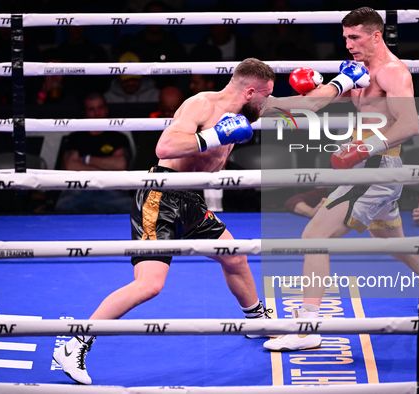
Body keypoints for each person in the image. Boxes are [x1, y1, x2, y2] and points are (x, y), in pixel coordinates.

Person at [53, 58, 276, 384]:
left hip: (191, 199)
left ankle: (257, 321)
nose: (266, 104)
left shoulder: (238, 118)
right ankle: (76, 343)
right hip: (162, 194)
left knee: (235, 256)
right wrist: (213, 136)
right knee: (150, 285)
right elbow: (166, 146)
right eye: (266, 96)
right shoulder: (202, 104)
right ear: (251, 90)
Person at [263, 7, 419, 352]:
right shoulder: (358, 72)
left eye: (355, 37)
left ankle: (308, 328)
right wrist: (264, 103)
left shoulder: (393, 73)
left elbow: (409, 125)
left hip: (377, 169)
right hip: (369, 168)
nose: (348, 45)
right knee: (397, 245)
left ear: (376, 35)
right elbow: (313, 107)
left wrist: (363, 149)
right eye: (345, 38)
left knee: (315, 235)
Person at [54, 93, 133, 213]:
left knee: (133, 210)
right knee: (61, 207)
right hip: (80, 190)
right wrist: (106, 172)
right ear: (84, 113)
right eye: (91, 109)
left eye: (100, 108)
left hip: (112, 190)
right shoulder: (75, 138)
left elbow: (120, 164)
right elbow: (70, 166)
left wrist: (86, 159)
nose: (97, 113)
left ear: (106, 109)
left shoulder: (118, 138)